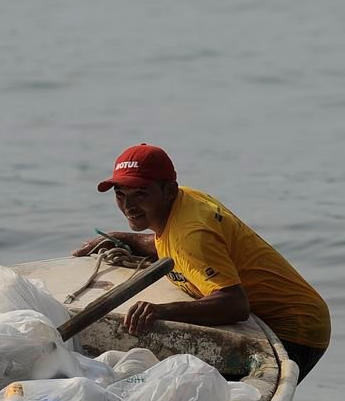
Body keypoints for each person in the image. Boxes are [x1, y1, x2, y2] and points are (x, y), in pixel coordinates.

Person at [72, 144, 331, 381]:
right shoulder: (184, 201)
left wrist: (161, 311)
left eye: (140, 194)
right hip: (274, 316)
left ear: (169, 190)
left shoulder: (193, 234)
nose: (128, 206)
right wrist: (123, 238)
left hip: (295, 329)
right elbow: (171, 245)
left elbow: (234, 304)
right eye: (120, 194)